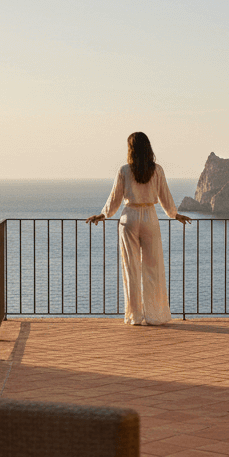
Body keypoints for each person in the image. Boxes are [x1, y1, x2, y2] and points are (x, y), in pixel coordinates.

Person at [87, 132, 192, 326]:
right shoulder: (157, 170)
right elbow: (165, 197)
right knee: (153, 268)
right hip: (150, 217)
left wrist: (103, 215)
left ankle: (134, 316)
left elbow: (115, 198)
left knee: (131, 269)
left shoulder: (124, 170)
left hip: (129, 218)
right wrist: (174, 214)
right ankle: (155, 315)